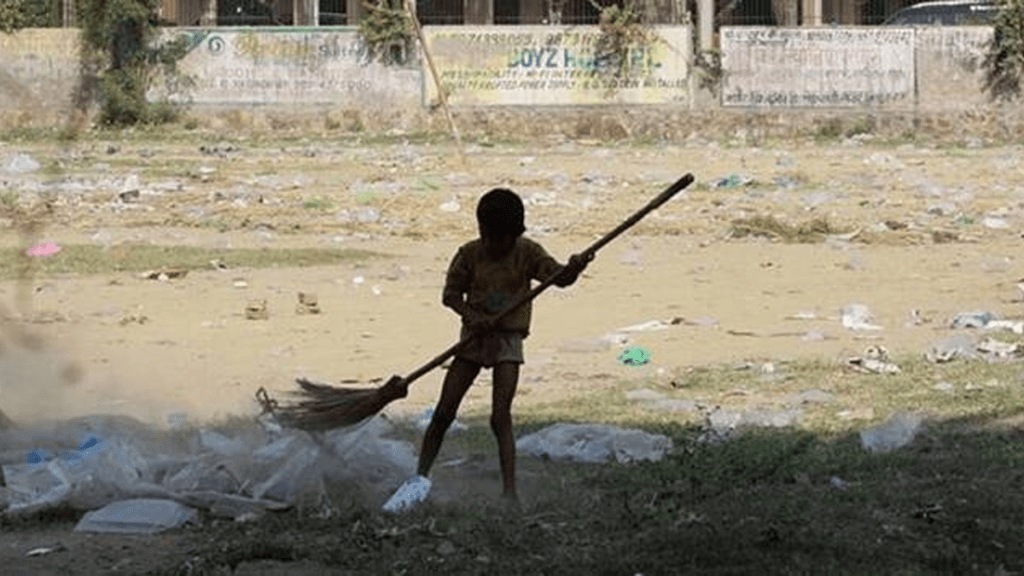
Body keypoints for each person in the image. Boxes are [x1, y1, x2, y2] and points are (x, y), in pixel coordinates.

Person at [414, 187, 592, 505]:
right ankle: (418, 480)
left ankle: (509, 492)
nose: (494, 245)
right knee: (443, 413)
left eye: (501, 239)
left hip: (508, 341)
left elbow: (558, 279)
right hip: (472, 340)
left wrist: (575, 268)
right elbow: (451, 295)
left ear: (516, 233)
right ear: (480, 230)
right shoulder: (469, 254)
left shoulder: (528, 253)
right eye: (489, 237)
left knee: (500, 417)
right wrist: (472, 315)